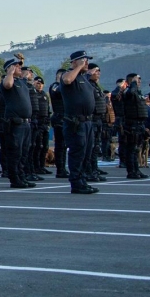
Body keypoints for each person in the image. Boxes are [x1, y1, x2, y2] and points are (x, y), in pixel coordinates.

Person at [59, 51, 99, 193]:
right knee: (77, 153)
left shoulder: (83, 78)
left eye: (87, 61)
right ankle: (76, 183)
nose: (86, 63)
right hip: (75, 122)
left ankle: (82, 180)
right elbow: (67, 80)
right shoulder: (69, 75)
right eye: (83, 60)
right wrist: (78, 67)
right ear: (74, 62)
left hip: (87, 122)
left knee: (86, 154)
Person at [1, 57, 37, 189]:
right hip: (15, 123)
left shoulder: (21, 82)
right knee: (15, 152)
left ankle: (22, 176)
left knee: (24, 152)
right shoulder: (8, 81)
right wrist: (10, 73)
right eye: (16, 66)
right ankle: (15, 179)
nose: (19, 68)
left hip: (25, 123)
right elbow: (7, 85)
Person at [120, 73, 149, 180]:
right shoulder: (128, 91)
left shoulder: (137, 92)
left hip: (139, 123)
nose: (139, 82)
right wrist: (133, 84)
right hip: (131, 124)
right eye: (137, 80)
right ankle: (131, 171)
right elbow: (130, 93)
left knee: (137, 149)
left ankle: (136, 169)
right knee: (131, 149)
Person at [85, 65, 108, 183]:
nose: (98, 73)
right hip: (92, 120)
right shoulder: (87, 84)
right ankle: (89, 171)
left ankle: (94, 170)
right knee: (91, 147)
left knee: (96, 147)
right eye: (95, 71)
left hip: (98, 119)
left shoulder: (95, 86)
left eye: (99, 71)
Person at [48, 70, 69, 178]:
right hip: (59, 118)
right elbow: (57, 92)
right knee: (60, 145)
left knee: (64, 146)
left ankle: (63, 168)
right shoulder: (55, 86)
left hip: (65, 118)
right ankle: (60, 169)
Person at [31, 76, 52, 177]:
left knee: (45, 146)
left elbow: (47, 109)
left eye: (41, 84)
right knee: (37, 146)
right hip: (37, 123)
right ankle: (36, 166)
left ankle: (41, 166)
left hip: (44, 123)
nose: (39, 85)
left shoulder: (44, 95)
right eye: (37, 83)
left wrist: (48, 122)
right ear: (34, 83)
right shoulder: (32, 94)